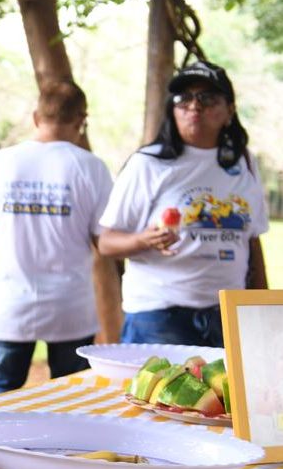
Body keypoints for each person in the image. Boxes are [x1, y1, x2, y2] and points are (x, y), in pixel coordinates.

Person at [99, 61, 269, 345]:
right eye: (184, 98)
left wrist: (262, 307)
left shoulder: (245, 163)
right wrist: (145, 240)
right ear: (172, 109)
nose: (194, 106)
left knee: (230, 391)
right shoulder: (149, 164)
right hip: (160, 314)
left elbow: (252, 242)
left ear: (229, 110)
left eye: (207, 98)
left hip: (227, 313)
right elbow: (106, 243)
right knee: (154, 392)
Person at [0, 80, 113, 397]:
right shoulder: (91, 167)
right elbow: (104, 238)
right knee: (71, 394)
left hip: (10, 303)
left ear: (37, 117)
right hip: (69, 305)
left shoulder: (1, 162)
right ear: (80, 120)